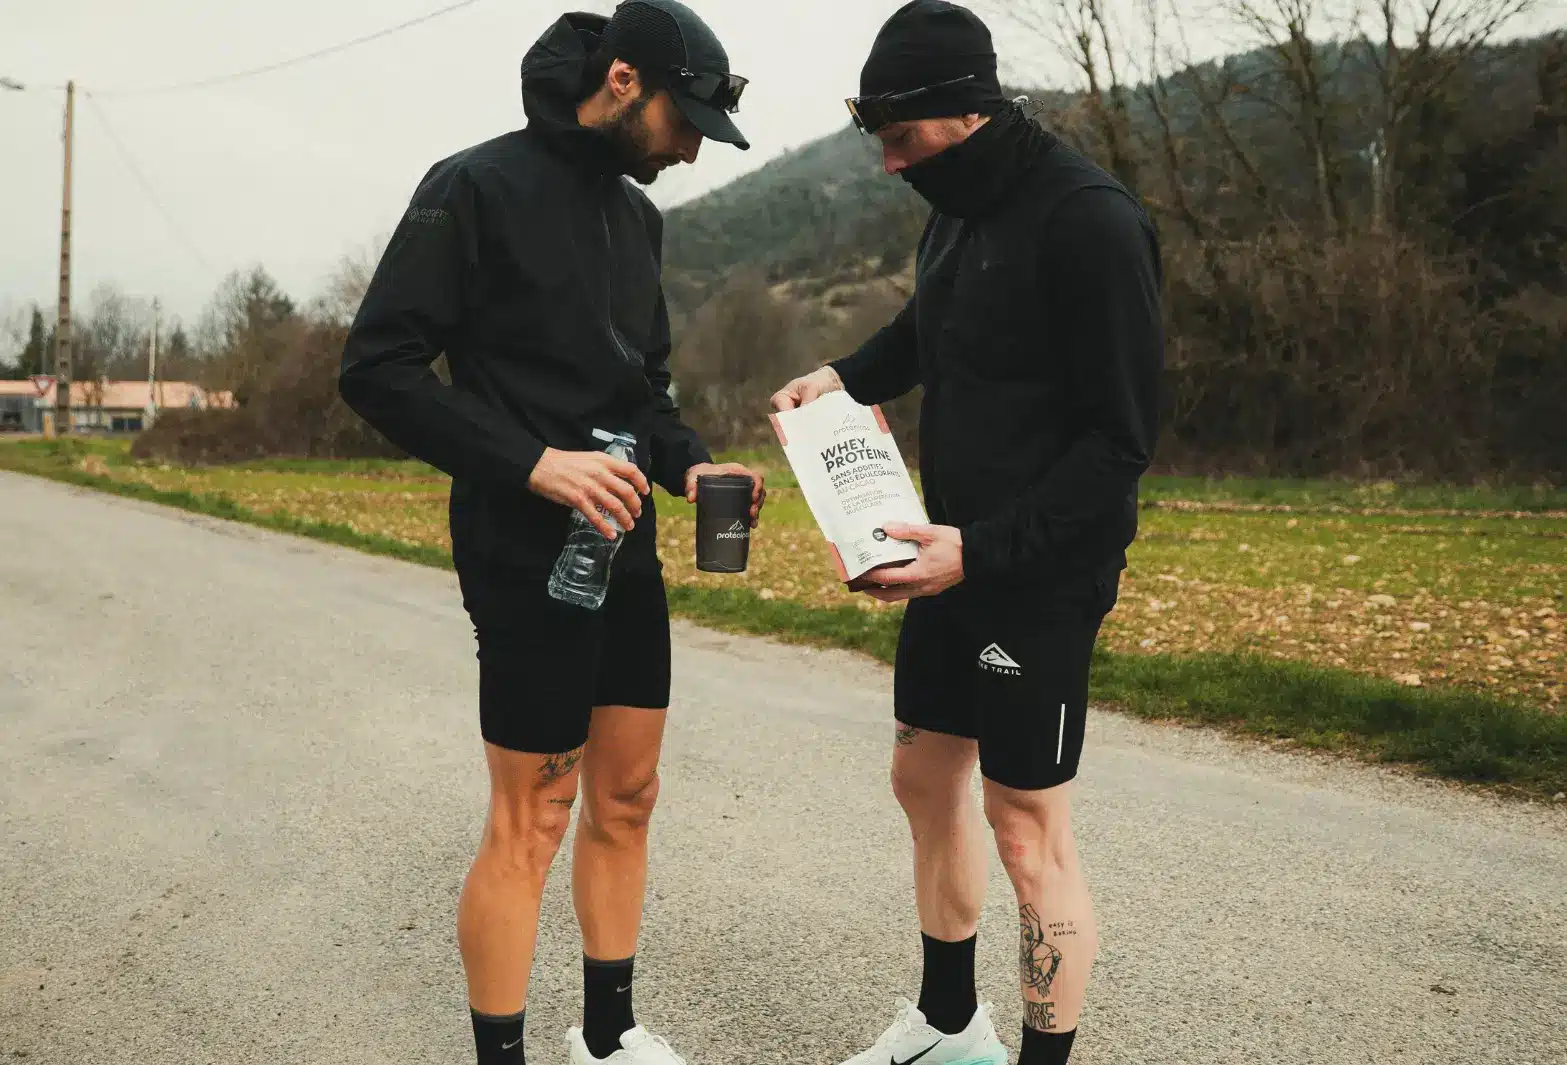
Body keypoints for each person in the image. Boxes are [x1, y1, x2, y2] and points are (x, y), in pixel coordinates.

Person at [338, 4, 764, 1064]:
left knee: (626, 797)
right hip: (521, 550)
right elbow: (377, 368)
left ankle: (609, 1041)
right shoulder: (471, 187)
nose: (691, 146)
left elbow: (645, 390)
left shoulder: (638, 220)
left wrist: (693, 460)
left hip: (626, 547)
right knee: (533, 817)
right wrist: (533, 464)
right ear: (623, 78)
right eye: (685, 118)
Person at [771, 3, 1163, 1063]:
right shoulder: (955, 212)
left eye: (902, 141)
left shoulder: (1091, 220)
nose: (891, 166)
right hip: (945, 560)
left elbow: (1121, 443)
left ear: (965, 114)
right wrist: (844, 378)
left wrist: (979, 552)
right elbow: (928, 330)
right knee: (921, 774)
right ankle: (949, 1027)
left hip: (1033, 571)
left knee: (1027, 828)